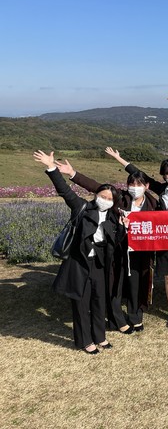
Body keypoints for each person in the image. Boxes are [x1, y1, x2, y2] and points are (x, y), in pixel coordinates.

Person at [34, 150, 126, 354]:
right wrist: (51, 168)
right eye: (102, 196)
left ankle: (100, 337)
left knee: (99, 301)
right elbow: (65, 191)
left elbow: (115, 243)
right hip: (79, 264)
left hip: (99, 266)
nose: (105, 200)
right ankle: (86, 341)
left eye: (109, 198)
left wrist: (121, 227)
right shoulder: (82, 208)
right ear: (96, 195)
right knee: (81, 304)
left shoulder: (113, 218)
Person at [55, 158, 158, 334]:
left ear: (146, 186)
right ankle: (116, 318)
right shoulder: (121, 199)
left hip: (140, 252)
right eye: (131, 184)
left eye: (139, 184)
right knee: (114, 285)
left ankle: (135, 316)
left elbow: (162, 224)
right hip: (116, 248)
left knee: (136, 284)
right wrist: (73, 174)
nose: (135, 187)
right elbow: (98, 188)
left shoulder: (153, 204)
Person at [106, 148, 168, 329]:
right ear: (163, 176)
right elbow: (138, 175)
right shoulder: (162, 189)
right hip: (164, 239)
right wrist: (119, 159)